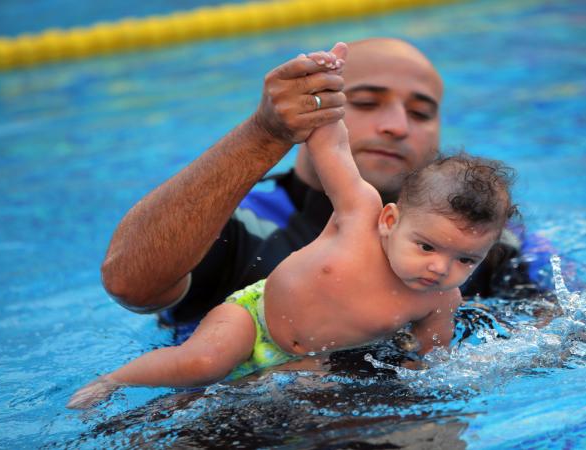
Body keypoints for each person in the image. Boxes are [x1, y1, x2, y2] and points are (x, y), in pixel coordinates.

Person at [68, 46, 518, 409]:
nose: (396, 126)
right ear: (389, 218)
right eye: (364, 102)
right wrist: (269, 129)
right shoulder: (244, 216)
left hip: (344, 407)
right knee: (201, 365)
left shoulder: (490, 245)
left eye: (420, 113)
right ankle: (113, 380)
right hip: (234, 368)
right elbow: (128, 282)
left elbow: (436, 364)